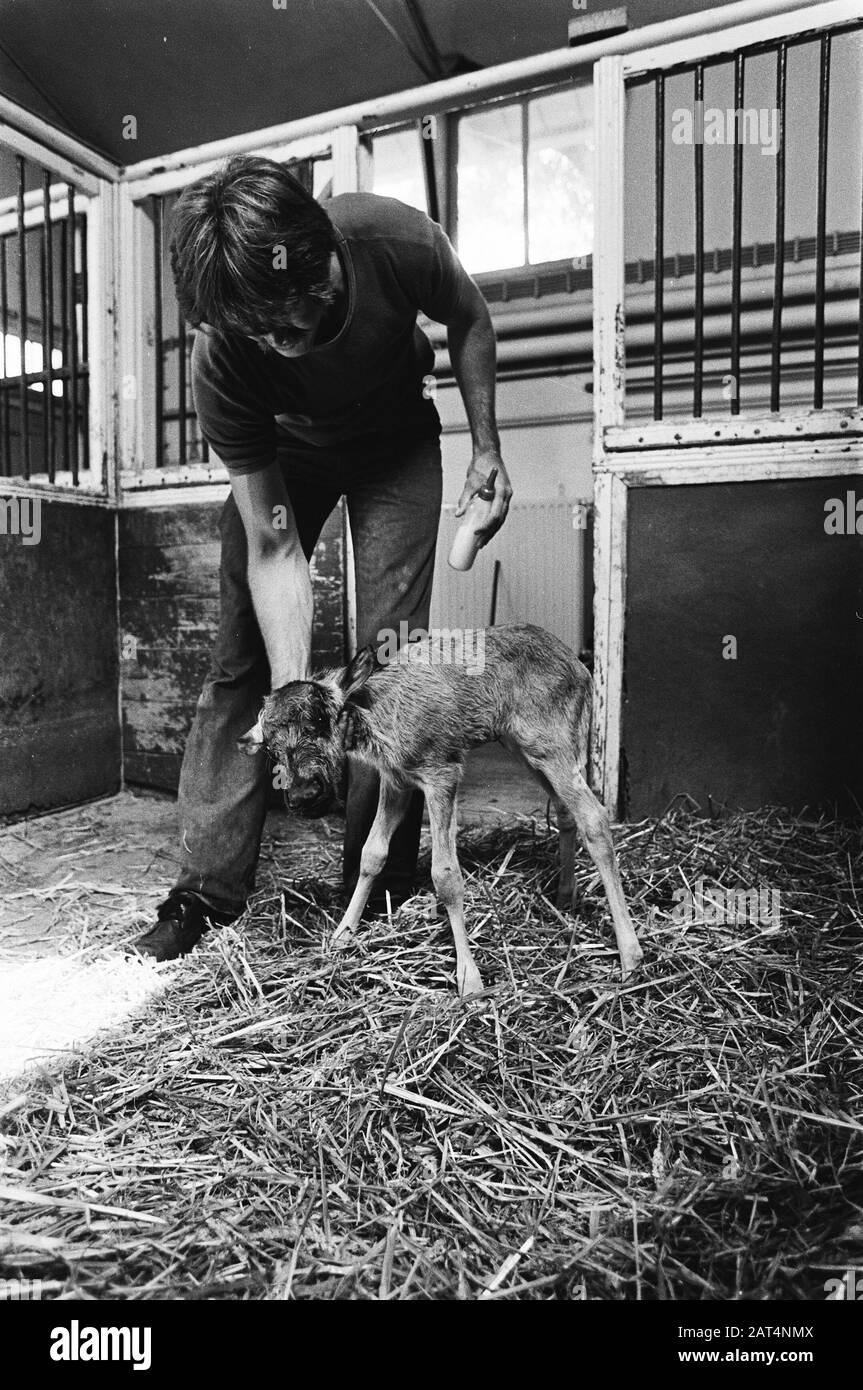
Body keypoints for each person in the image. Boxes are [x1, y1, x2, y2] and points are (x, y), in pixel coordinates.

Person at [132, 154, 511, 962]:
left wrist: (486, 447)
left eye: (288, 325)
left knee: (391, 663)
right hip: (287, 459)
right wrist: (293, 707)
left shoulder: (393, 238)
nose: (278, 346)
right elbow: (274, 543)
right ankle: (203, 892)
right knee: (241, 664)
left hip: (394, 445)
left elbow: (470, 319)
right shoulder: (223, 357)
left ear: (318, 261)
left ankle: (376, 892)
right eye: (257, 335)